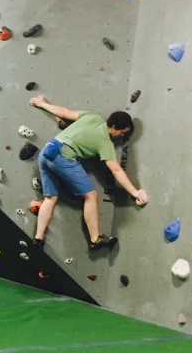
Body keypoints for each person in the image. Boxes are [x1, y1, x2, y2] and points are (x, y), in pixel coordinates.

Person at [28, 96, 148, 250]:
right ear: (115, 127)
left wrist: (42, 104)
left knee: (50, 198)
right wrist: (135, 192)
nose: (122, 136)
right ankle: (95, 239)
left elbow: (64, 112)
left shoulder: (92, 117)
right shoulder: (105, 143)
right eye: (123, 132)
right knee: (91, 196)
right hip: (62, 156)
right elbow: (116, 170)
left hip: (47, 151)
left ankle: (38, 238)